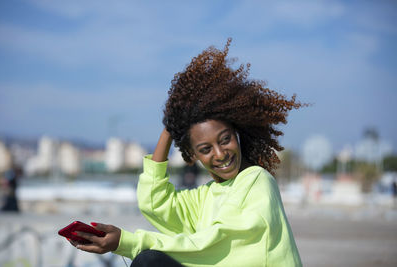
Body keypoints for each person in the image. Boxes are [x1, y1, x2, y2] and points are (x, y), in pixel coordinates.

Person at [68, 39, 304, 266]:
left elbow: (217, 244)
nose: (220, 153)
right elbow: (155, 202)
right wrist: (171, 127)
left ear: (238, 133)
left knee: (150, 261)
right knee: (150, 260)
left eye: (225, 139)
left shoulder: (257, 182)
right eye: (205, 149)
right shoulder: (206, 196)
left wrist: (126, 242)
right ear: (192, 156)